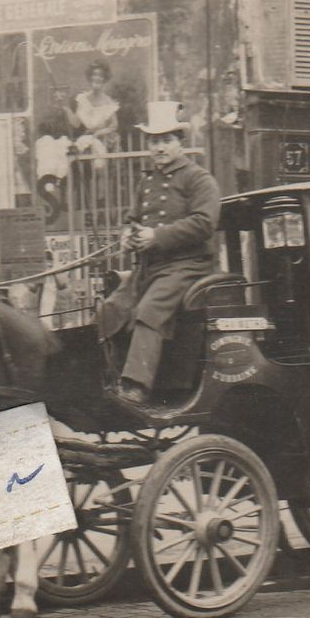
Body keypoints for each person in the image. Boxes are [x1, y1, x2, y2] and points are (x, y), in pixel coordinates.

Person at [98, 101, 221, 407]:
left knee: (149, 310)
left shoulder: (199, 179)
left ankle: (137, 387)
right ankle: (115, 379)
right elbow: (133, 219)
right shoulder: (146, 182)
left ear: (180, 142)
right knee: (111, 309)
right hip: (150, 268)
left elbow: (205, 223)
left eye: (167, 140)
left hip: (188, 267)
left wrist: (158, 236)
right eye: (155, 141)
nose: (160, 148)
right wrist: (129, 236)